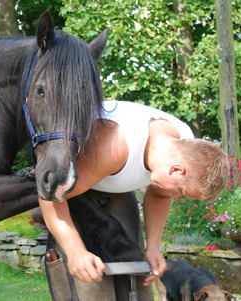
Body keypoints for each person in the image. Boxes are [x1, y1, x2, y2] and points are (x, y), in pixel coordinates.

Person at [39, 100, 229, 288]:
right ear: (176, 170)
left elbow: (161, 195)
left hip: (109, 178)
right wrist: (74, 251)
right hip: (73, 178)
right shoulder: (115, 146)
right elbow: (49, 196)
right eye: (180, 191)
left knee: (132, 270)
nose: (176, 196)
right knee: (87, 276)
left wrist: (153, 246)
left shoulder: (183, 146)